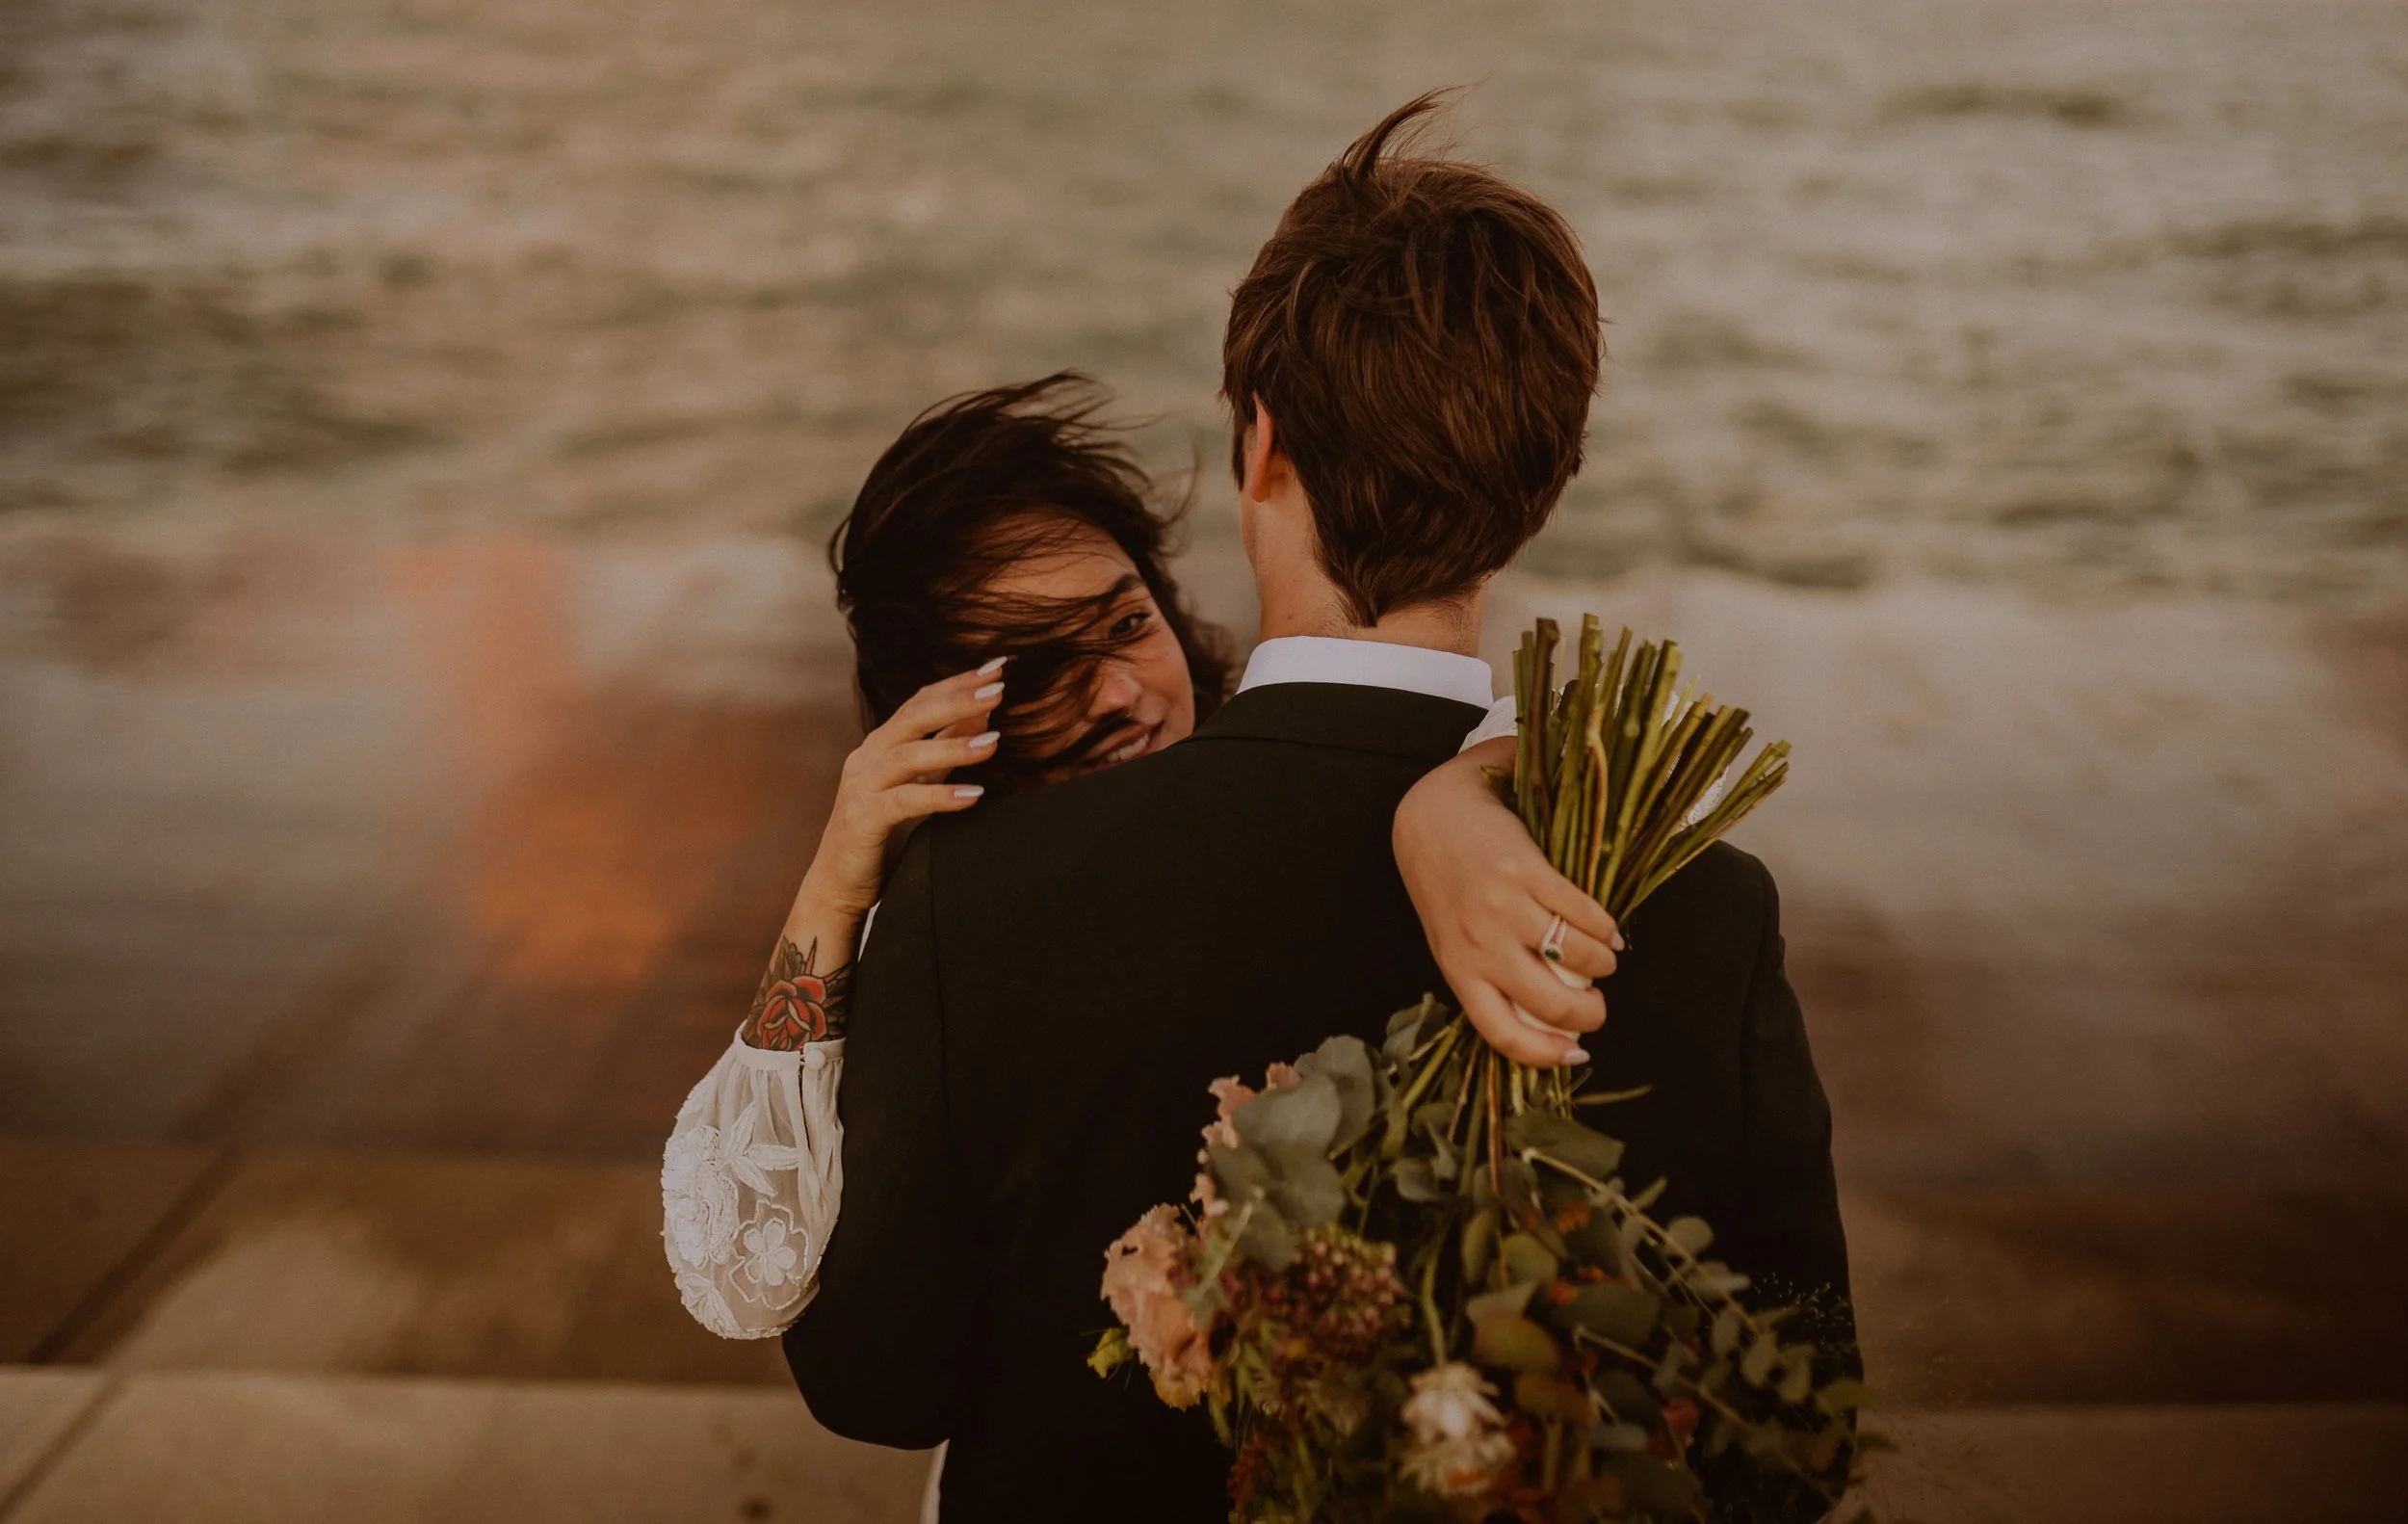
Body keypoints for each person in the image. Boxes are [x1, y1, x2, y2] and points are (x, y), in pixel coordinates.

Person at [780, 92, 1850, 1524]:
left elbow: (878, 1384)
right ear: (1546, 480)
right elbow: (1797, 1434)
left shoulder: (972, 905)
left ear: (1260, 443)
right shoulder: (1699, 915)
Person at [662, 372, 1615, 1344]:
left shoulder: (1311, 799)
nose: (1117, 691)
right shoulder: (941, 925)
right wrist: (831, 889)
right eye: (1034, 670)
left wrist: (1466, 785)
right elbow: (745, 1273)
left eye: (1125, 624)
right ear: (932, 713)